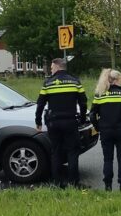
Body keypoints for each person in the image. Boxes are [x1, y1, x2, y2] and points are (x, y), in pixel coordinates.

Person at [35, 58, 88, 188]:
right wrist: (82, 119)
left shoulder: (48, 83)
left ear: (58, 67)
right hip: (70, 121)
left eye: (52, 68)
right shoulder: (75, 81)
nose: (51, 70)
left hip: (54, 123)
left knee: (56, 152)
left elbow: (40, 104)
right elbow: (83, 102)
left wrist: (38, 121)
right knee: (72, 152)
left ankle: (57, 183)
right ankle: (73, 183)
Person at [90, 68, 121, 192]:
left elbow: (92, 115)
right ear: (115, 80)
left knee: (107, 159)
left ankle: (108, 186)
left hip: (106, 131)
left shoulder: (100, 94)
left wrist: (98, 127)